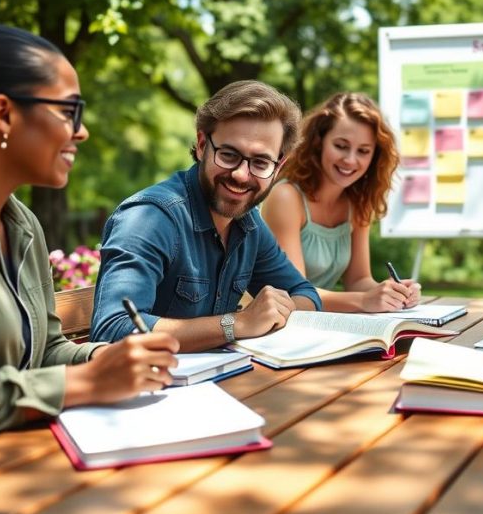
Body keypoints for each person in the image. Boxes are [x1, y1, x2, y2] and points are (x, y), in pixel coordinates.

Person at [0, 18, 179, 462]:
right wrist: (85, 383)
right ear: (3, 114)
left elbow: (46, 349)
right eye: (69, 111)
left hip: (17, 464)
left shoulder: (23, 224)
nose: (81, 131)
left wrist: (110, 359)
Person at [90, 80, 322, 350]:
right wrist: (237, 323)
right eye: (229, 154)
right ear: (202, 145)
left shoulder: (249, 223)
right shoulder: (149, 218)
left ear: (278, 167)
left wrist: (278, 310)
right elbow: (112, 329)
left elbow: (306, 294)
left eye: (260, 162)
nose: (241, 175)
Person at [261, 92, 420, 312]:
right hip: (271, 327)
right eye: (341, 146)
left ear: (374, 157)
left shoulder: (357, 203)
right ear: (319, 142)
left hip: (320, 326)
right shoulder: (286, 197)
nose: (350, 160)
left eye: (363, 151)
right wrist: (364, 301)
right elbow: (294, 293)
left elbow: (358, 280)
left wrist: (392, 292)